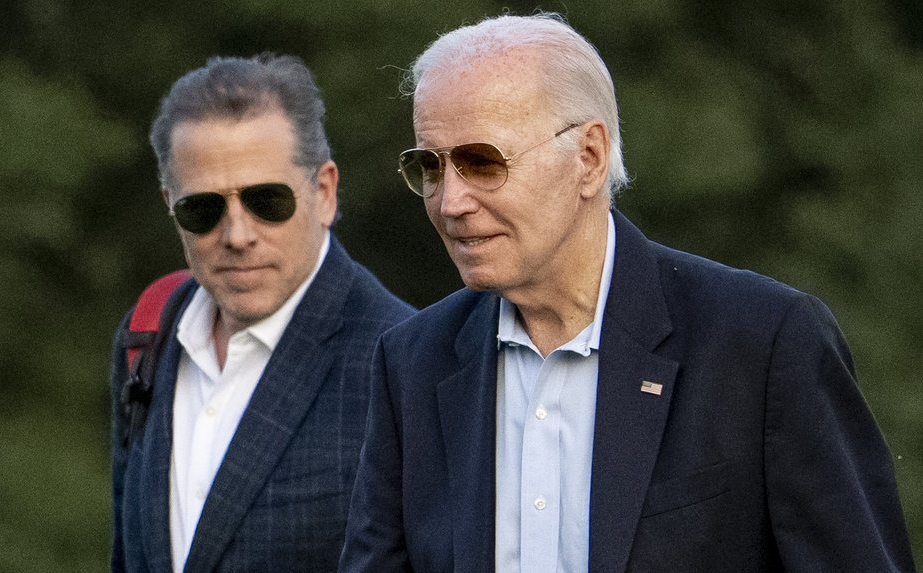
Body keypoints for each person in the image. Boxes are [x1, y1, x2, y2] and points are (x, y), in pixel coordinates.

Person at [339, 13, 915, 572]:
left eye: (482, 162)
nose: (450, 202)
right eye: (430, 167)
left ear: (588, 158)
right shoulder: (412, 362)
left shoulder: (762, 344)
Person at [109, 54, 414, 573]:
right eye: (202, 209)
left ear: (324, 192)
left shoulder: (403, 359)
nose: (237, 235)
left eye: (266, 201)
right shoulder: (147, 334)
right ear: (170, 206)